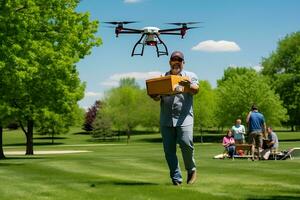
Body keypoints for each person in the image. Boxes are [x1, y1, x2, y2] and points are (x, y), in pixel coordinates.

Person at [150, 51, 199, 186]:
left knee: (186, 144)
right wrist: (153, 95)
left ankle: (191, 170)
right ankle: (176, 178)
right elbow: (157, 97)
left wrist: (188, 85)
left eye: (179, 60)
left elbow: (196, 90)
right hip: (166, 119)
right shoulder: (163, 78)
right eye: (173, 59)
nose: (176, 62)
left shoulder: (190, 76)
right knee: (169, 150)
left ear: (183, 63)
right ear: (170, 62)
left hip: (185, 118)